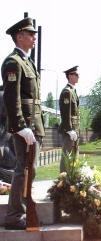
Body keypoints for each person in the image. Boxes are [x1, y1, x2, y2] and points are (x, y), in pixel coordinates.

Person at [1, 17, 45, 230]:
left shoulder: (27, 62)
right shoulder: (13, 62)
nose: (34, 37)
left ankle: (25, 211)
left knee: (30, 170)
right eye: (30, 33)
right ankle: (14, 215)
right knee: (22, 169)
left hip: (33, 125)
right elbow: (12, 98)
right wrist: (19, 126)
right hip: (24, 126)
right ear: (19, 36)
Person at [58, 66, 80, 173]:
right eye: (76, 74)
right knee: (67, 156)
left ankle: (71, 181)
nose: (78, 76)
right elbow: (65, 113)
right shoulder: (67, 92)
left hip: (74, 129)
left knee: (74, 156)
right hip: (69, 131)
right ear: (70, 76)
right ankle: (63, 182)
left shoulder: (73, 91)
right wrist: (69, 129)